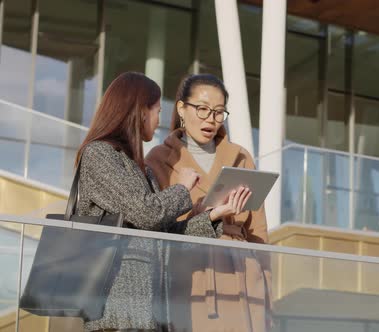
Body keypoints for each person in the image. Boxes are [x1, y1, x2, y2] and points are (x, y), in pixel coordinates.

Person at [75, 72, 251, 331]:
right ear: (140, 112)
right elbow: (145, 212)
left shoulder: (141, 169)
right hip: (116, 312)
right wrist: (182, 189)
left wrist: (214, 215)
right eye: (157, 110)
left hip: (151, 311)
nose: (159, 121)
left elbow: (168, 238)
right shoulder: (99, 154)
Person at [146, 74, 272, 332]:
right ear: (181, 108)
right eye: (202, 109)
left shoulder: (240, 156)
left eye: (218, 112)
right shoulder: (158, 159)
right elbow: (156, 226)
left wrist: (266, 290)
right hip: (190, 277)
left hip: (242, 278)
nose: (211, 120)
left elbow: (258, 232)